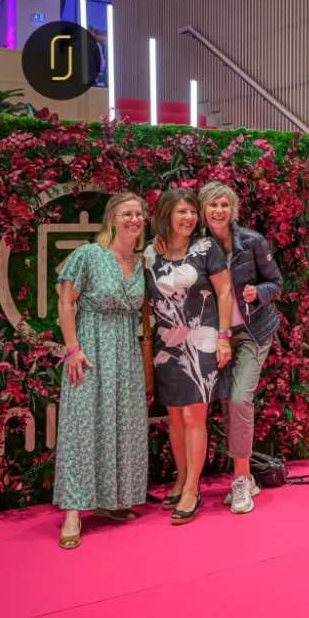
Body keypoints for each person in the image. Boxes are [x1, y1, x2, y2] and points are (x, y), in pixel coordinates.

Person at [156, 181, 283, 514]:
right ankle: (228, 476)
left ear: (233, 209)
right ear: (202, 210)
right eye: (211, 205)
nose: (218, 211)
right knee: (224, 404)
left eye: (224, 205)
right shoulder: (196, 245)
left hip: (252, 333)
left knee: (240, 399)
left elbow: (276, 281)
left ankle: (241, 480)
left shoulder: (252, 241)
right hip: (208, 337)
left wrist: (260, 292)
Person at [54, 192, 149, 549]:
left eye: (139, 214)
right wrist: (73, 349)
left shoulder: (139, 262)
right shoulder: (89, 255)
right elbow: (65, 302)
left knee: (121, 426)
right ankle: (74, 512)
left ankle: (110, 502)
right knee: (83, 427)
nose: (134, 219)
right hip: (90, 350)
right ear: (112, 219)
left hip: (125, 353)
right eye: (127, 213)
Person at [144, 187, 233, 525]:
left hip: (203, 341)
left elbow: (225, 291)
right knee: (175, 417)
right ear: (165, 214)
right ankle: (181, 478)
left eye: (192, 212)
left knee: (196, 417)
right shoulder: (153, 252)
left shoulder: (206, 248)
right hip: (168, 343)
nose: (189, 218)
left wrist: (224, 336)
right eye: (181, 211)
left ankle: (192, 488)